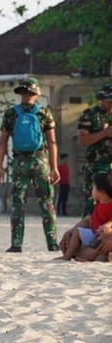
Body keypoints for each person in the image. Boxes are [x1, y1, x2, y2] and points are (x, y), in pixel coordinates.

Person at [0, 77, 60, 253]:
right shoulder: (44, 113)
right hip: (40, 161)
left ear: (22, 93)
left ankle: (16, 244)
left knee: (18, 203)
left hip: (19, 162)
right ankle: (52, 242)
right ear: (36, 94)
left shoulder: (11, 113)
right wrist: (54, 167)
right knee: (47, 202)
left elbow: (2, 142)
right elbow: (52, 142)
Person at [57, 172, 112, 262]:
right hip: (94, 234)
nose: (91, 191)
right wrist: (70, 232)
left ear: (101, 192)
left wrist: (108, 226)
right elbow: (89, 219)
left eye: (93, 188)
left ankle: (99, 256)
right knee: (77, 233)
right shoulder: (97, 204)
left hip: (102, 236)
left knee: (98, 248)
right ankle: (68, 255)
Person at [76, 84, 112, 217]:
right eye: (109, 101)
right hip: (96, 166)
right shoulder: (90, 115)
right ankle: (87, 233)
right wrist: (104, 133)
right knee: (92, 202)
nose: (111, 105)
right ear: (102, 99)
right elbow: (82, 140)